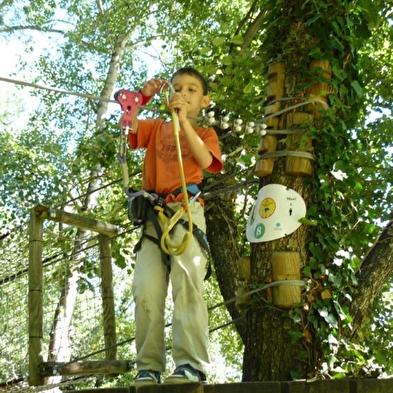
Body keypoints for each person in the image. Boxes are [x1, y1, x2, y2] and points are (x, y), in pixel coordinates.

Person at [122, 67, 223, 386]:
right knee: (146, 288)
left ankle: (190, 364)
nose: (183, 93)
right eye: (177, 88)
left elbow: (206, 162)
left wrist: (182, 121)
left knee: (187, 284)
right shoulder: (156, 128)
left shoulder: (206, 134)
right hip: (154, 216)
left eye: (192, 90)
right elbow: (129, 125)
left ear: (204, 101)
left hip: (186, 212)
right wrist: (143, 97)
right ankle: (148, 367)